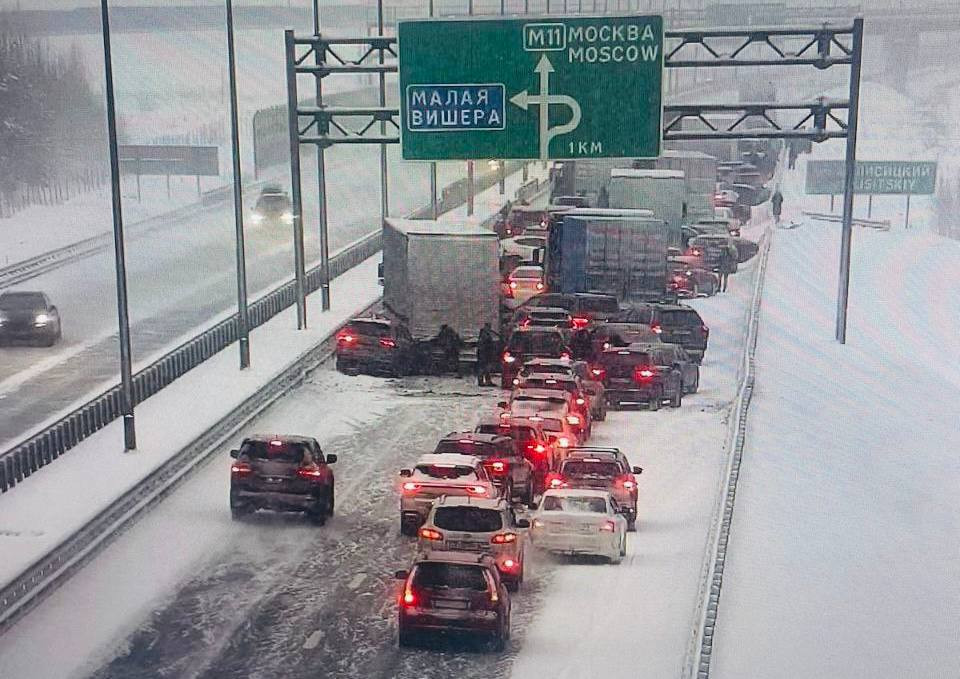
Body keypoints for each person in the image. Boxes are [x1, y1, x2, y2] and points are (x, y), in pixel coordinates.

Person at [476, 322, 500, 387]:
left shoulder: (486, 334)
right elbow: (483, 345)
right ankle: (481, 381)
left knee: (487, 369)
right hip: (484, 354)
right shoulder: (484, 335)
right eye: (488, 326)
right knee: (483, 368)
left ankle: (487, 381)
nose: (489, 328)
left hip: (486, 354)